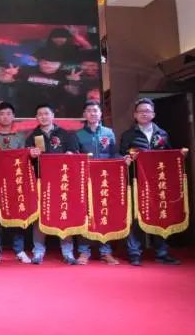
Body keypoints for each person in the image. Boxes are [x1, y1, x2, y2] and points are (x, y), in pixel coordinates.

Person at [120, 98, 183, 266]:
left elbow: (169, 156)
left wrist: (180, 156)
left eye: (147, 111)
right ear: (135, 115)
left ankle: (162, 253)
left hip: (157, 183)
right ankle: (134, 253)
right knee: (135, 217)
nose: (144, 114)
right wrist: (125, 159)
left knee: (159, 215)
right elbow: (121, 155)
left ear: (153, 114)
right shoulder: (128, 135)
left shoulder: (162, 134)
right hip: (136, 182)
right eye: (140, 111)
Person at [26, 104, 79, 265]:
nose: (43, 116)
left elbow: (75, 153)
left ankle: (68, 252)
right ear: (36, 117)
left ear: (52, 115)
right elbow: (25, 162)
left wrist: (70, 154)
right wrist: (30, 154)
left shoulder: (65, 134)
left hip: (62, 181)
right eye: (40, 114)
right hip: (41, 181)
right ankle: (38, 251)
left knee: (64, 214)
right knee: (40, 216)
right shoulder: (32, 137)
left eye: (46, 113)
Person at [74, 100, 122, 265]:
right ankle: (84, 251)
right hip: (85, 180)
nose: (92, 113)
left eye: (95, 110)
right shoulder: (78, 135)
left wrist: (123, 160)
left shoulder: (109, 133)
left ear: (101, 114)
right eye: (89, 110)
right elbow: (76, 158)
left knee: (104, 214)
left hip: (104, 180)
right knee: (85, 215)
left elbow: (114, 154)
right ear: (84, 114)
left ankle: (105, 251)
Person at [0, 102, 31, 264]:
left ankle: (19, 249)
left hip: (15, 181)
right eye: (2, 114)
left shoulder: (20, 136)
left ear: (13, 116)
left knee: (17, 213)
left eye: (8, 114)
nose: (5, 117)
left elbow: (25, 157)